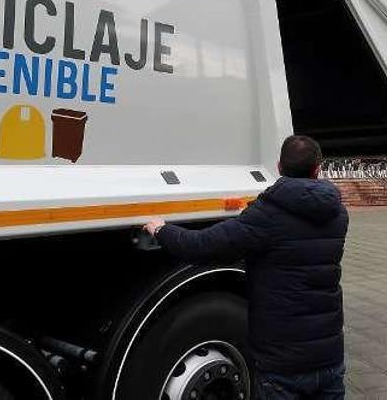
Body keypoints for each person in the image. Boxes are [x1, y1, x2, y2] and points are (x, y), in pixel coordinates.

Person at [143, 135, 349, 399]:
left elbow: (202, 245)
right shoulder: (338, 214)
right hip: (329, 358)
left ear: (279, 167)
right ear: (318, 169)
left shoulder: (267, 215)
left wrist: (161, 230)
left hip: (282, 365)